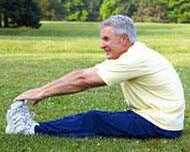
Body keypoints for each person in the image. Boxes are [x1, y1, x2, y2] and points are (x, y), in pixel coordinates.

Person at [6, 15, 185, 139]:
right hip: (153, 116)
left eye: (106, 39)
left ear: (123, 39)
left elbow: (84, 81)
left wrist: (42, 93)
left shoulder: (135, 58)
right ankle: (34, 127)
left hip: (160, 124)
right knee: (96, 118)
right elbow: (82, 74)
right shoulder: (132, 53)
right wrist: (42, 90)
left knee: (94, 119)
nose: (102, 45)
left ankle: (31, 130)